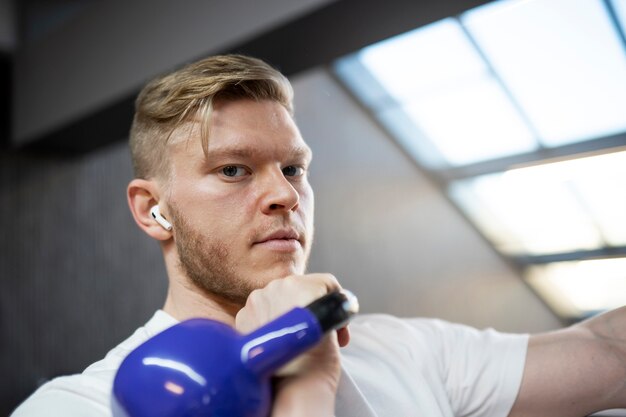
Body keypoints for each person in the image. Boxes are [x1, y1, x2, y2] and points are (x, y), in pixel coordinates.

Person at [11, 54, 626, 417]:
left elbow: (609, 351)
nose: (284, 193)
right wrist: (308, 386)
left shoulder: (404, 350)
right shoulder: (77, 407)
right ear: (154, 212)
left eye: (294, 168)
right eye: (233, 169)